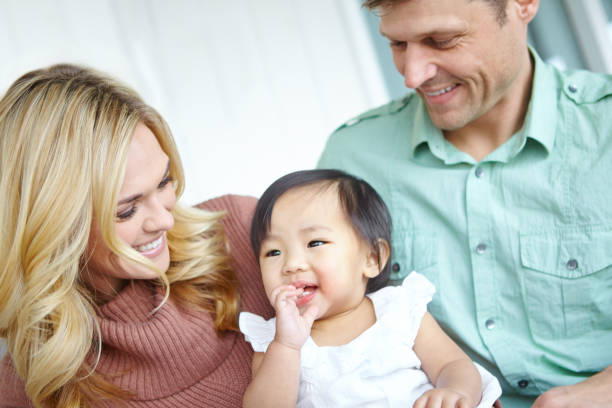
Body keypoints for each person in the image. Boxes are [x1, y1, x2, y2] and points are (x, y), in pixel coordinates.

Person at [317, 0, 612, 407]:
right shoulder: (352, 161)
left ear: (523, 5)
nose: (412, 75)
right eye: (398, 44)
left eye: (441, 40)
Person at [0, 64, 272, 407]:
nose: (164, 220)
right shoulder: (35, 383)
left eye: (164, 182)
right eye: (126, 210)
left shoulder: (254, 235)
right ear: (56, 225)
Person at [240, 169, 501, 407]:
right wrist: (287, 346)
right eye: (273, 251)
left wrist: (455, 391)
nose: (291, 264)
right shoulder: (275, 340)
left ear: (372, 258)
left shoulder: (399, 309)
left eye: (315, 243)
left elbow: (453, 364)